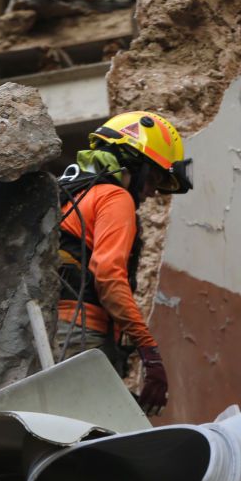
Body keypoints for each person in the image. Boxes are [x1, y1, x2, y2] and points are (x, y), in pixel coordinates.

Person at [54, 111, 193, 416]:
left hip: (54, 331)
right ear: (134, 163)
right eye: (155, 177)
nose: (154, 191)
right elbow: (107, 276)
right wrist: (150, 352)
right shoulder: (115, 198)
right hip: (80, 336)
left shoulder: (72, 193)